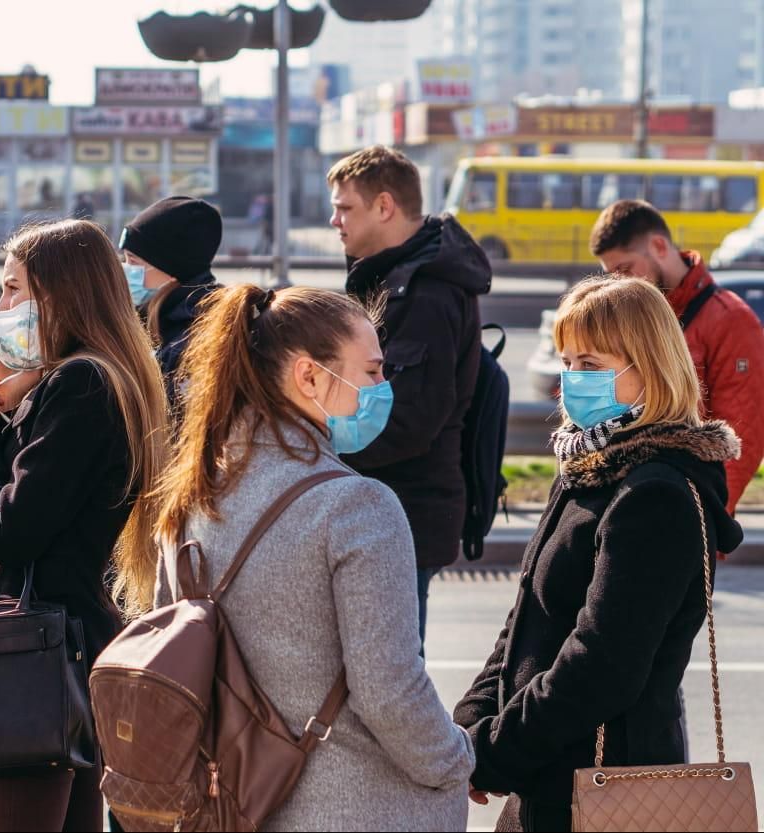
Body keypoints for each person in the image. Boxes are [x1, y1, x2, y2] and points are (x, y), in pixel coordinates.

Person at [152, 284, 474, 831]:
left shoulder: (193, 497)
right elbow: (390, 692)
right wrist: (455, 759)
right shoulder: (356, 506)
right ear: (308, 377)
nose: (383, 387)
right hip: (353, 807)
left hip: (235, 805)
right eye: (372, 371)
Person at [455, 276, 743, 832]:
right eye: (566, 363)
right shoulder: (590, 470)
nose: (572, 381)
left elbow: (602, 664)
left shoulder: (653, 494)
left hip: (608, 787)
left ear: (651, 367)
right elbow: (526, 620)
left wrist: (493, 752)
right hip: (545, 771)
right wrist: (469, 729)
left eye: (590, 364)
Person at [0, 219, 170, 832]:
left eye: (14, 289)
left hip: (38, 650)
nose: (2, 306)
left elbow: (11, 526)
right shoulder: (100, 377)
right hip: (71, 643)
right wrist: (15, 400)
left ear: (62, 294)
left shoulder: (82, 385)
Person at [326, 145, 492, 645]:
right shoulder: (386, 278)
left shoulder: (426, 294)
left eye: (344, 208)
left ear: (384, 206)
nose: (334, 221)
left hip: (404, 511)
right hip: (387, 507)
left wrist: (318, 446)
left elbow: (408, 419)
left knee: (391, 682)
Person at [591, 199, 764, 514]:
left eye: (625, 269)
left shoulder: (731, 319)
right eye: (610, 274)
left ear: (659, 245)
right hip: (617, 506)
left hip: (681, 512)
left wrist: (705, 519)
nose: (619, 282)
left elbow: (741, 437)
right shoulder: (628, 314)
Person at [119, 195, 223, 409]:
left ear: (172, 272)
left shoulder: (191, 340)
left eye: (133, 261)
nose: (125, 269)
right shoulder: (156, 319)